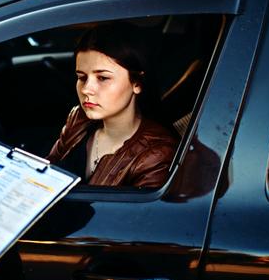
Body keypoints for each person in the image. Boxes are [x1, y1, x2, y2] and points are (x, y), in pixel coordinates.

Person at [47, 22, 178, 188]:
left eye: (103, 78)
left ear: (137, 83)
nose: (87, 89)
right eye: (82, 78)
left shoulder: (155, 155)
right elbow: (45, 174)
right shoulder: (78, 119)